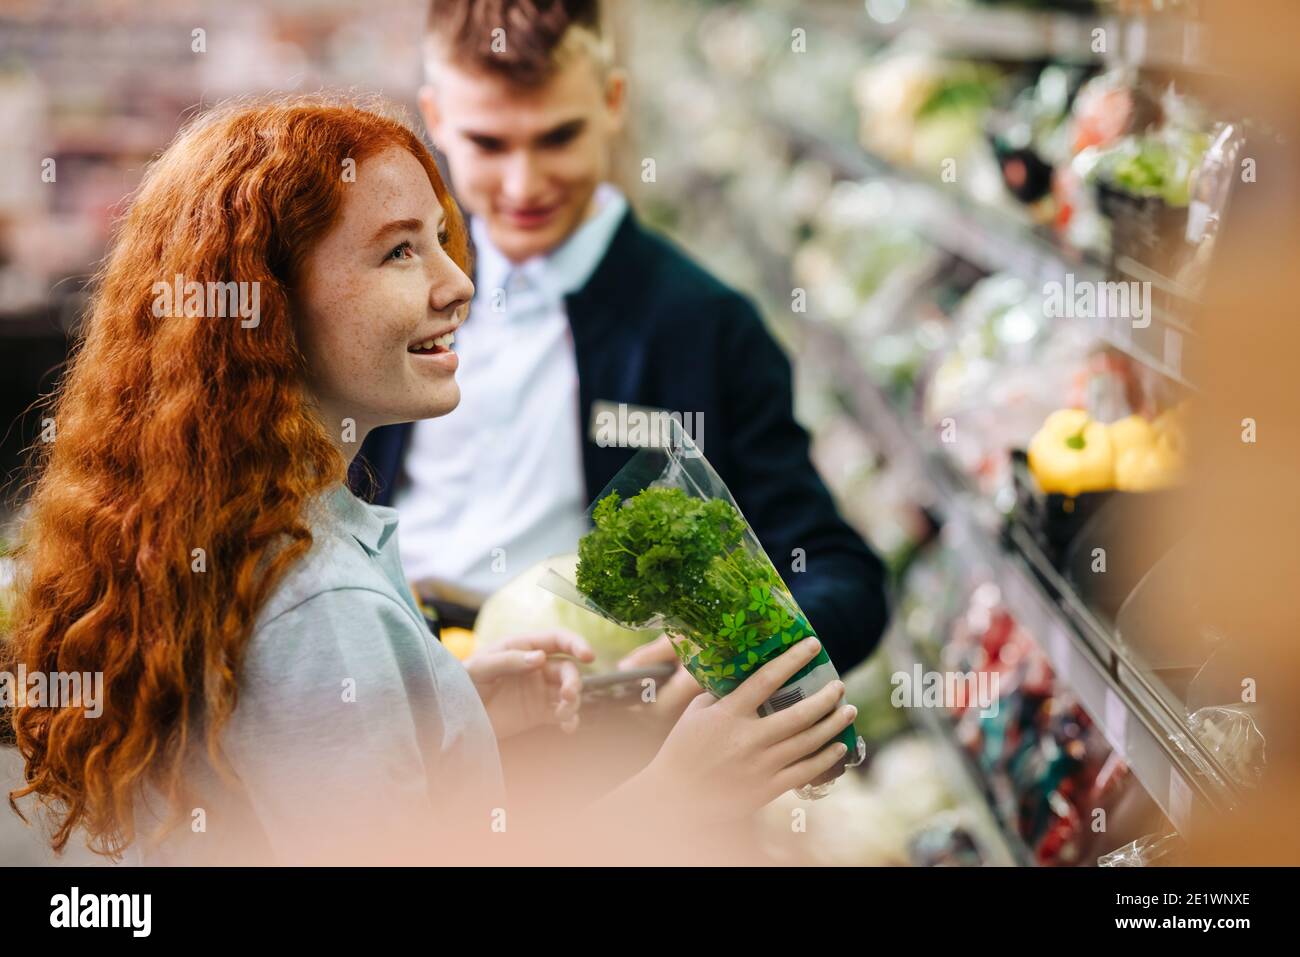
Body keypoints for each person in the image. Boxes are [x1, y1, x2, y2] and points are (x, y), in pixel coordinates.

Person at [4, 96, 857, 865]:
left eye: (443, 240)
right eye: (399, 252)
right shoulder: (321, 602)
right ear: (267, 307)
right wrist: (677, 798)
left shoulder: (240, 523)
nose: (459, 285)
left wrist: (445, 704)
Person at [351, 0, 890, 694]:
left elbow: (839, 574)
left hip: (600, 737)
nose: (523, 184)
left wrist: (731, 656)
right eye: (489, 143)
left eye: (558, 137)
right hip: (404, 699)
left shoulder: (707, 326)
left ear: (612, 104)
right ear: (438, 118)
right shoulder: (384, 294)